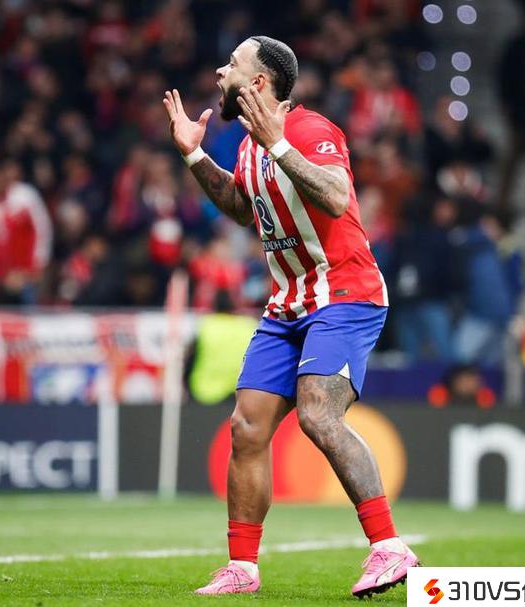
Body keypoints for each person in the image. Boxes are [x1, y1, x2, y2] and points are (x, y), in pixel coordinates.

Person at [163, 35, 419, 599]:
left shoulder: (309, 130)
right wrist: (194, 156)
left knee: (318, 414)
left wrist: (279, 144)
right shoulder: (248, 144)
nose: (221, 71)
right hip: (287, 305)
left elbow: (336, 196)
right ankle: (242, 568)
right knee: (246, 427)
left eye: (232, 65)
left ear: (259, 82)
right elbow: (241, 207)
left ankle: (389, 547)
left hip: (344, 294)